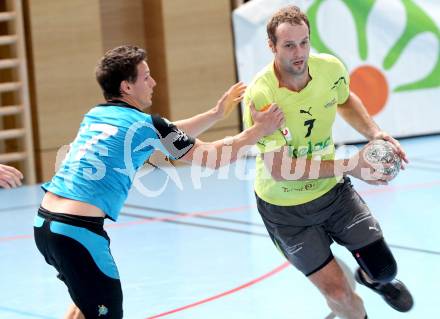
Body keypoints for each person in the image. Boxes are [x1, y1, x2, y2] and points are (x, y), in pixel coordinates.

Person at [33, 45, 284, 319]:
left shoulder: (97, 115)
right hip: (77, 233)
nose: (153, 82)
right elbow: (212, 158)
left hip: (46, 225)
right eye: (146, 76)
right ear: (126, 87)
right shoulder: (145, 125)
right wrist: (259, 130)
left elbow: (165, 133)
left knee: (85, 303)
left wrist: (214, 113)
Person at [243, 6, 413, 319]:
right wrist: (351, 165)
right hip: (286, 212)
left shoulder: (329, 69)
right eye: (289, 46)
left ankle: (368, 277)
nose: (299, 53)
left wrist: (375, 133)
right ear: (271, 47)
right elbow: (281, 171)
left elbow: (345, 99)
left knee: (385, 270)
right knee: (338, 294)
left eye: (304, 42)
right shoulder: (262, 95)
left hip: (333, 194)